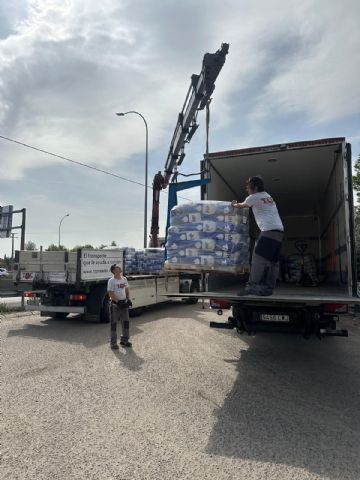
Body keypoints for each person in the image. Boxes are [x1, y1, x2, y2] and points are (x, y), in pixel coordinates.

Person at [232, 176, 284, 296]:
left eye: (248, 187)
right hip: (279, 231)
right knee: (273, 262)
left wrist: (234, 204)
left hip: (268, 231)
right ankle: (269, 288)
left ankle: (252, 286)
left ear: (254, 188)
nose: (247, 190)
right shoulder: (268, 196)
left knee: (257, 259)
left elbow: (242, 205)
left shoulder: (253, 197)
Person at [107, 264, 133, 349]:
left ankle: (124, 340)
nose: (120, 268)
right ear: (114, 271)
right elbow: (110, 293)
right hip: (115, 305)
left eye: (119, 267)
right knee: (114, 324)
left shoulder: (124, 279)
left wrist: (128, 299)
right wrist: (118, 302)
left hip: (124, 304)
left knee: (126, 322)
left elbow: (126, 289)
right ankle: (113, 343)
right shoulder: (111, 281)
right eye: (117, 267)